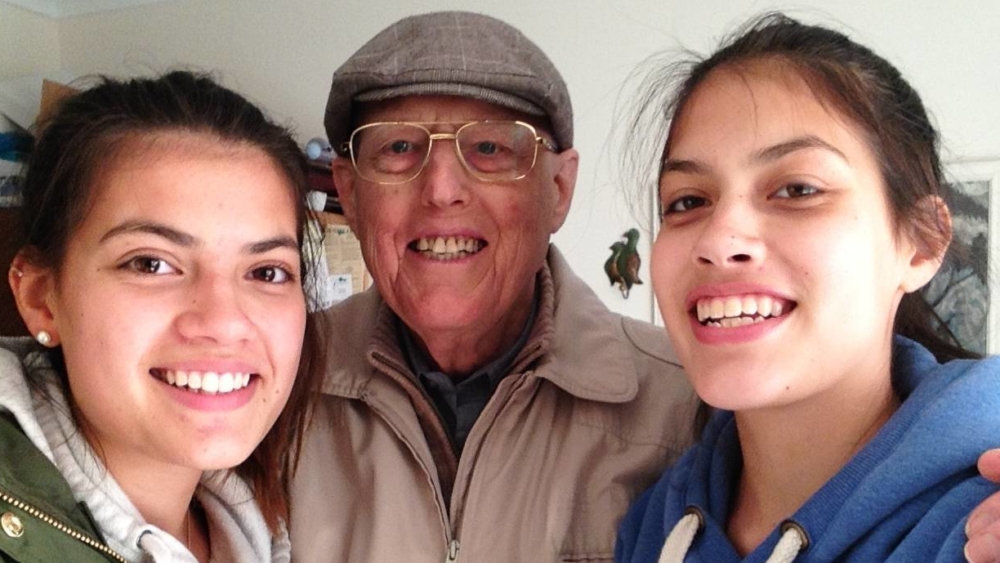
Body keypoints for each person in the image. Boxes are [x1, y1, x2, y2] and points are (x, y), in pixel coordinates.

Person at [287, 11, 699, 563]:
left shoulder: (686, 407)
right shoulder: (275, 389)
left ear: (558, 189)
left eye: (489, 150)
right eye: (399, 148)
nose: (440, 190)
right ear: (351, 194)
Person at [615, 13, 1000, 563]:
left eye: (797, 189)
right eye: (688, 201)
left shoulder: (975, 528)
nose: (719, 238)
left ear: (920, 244)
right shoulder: (653, 526)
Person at [2, 70, 325, 562]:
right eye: (151, 263)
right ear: (41, 296)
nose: (224, 322)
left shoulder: (263, 522)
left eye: (265, 271)